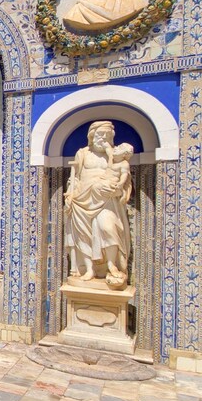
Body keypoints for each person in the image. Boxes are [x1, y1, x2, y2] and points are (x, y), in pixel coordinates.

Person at [63, 121, 133, 289]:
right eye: (98, 135)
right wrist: (70, 193)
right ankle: (88, 270)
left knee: (107, 228)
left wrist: (120, 191)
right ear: (91, 136)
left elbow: (125, 180)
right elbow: (75, 178)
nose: (101, 139)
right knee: (83, 235)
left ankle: (111, 265)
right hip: (82, 201)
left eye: (105, 136)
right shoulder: (83, 153)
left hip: (106, 201)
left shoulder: (115, 157)